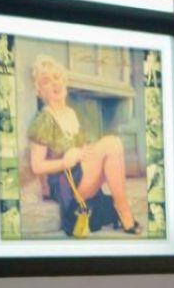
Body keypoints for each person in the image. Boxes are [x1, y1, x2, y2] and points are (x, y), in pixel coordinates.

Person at [26, 55, 139, 236]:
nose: (54, 83)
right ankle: (123, 210)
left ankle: (121, 207)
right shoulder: (43, 120)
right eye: (46, 81)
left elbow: (79, 148)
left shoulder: (71, 113)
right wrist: (64, 162)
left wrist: (84, 151)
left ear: (64, 81)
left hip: (80, 174)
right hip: (65, 184)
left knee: (113, 145)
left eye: (57, 77)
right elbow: (37, 166)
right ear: (40, 91)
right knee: (112, 143)